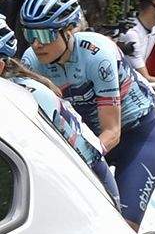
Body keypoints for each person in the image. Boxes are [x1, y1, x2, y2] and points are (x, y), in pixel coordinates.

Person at [20, 0, 155, 227]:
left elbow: (112, 133)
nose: (36, 44)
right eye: (30, 34)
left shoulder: (98, 54)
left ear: (69, 30)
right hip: (90, 136)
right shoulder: (31, 61)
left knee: (123, 229)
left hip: (136, 136)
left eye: (45, 34)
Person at [0, 15, 118, 204]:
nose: (37, 44)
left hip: (88, 176)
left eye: (45, 35)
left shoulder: (28, 96)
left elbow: (82, 156)